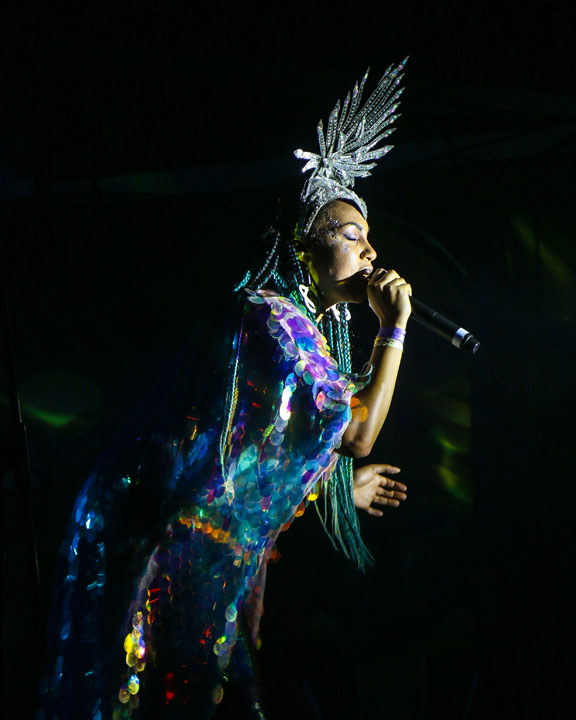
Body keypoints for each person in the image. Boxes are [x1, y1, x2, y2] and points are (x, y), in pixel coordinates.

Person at [38, 59, 410, 720]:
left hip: (213, 558)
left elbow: (261, 457)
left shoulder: (304, 331)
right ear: (304, 245)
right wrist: (395, 331)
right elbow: (354, 433)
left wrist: (332, 489)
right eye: (352, 237)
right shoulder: (270, 314)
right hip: (175, 553)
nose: (371, 253)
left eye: (371, 240)